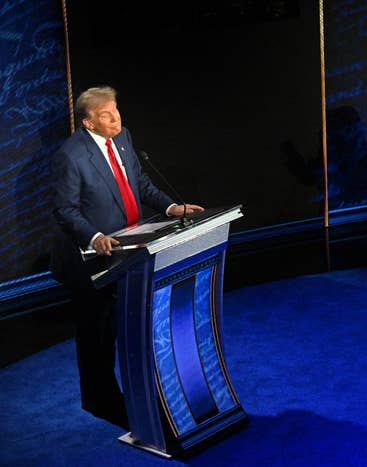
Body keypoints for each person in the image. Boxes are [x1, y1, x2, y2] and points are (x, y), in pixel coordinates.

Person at [50, 86, 204, 429]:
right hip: (89, 259)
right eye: (106, 114)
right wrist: (94, 236)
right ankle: (99, 400)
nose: (116, 118)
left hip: (129, 252)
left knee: (122, 325)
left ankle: (133, 392)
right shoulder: (71, 156)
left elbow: (140, 182)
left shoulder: (123, 138)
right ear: (89, 122)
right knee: (98, 332)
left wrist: (170, 206)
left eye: (116, 110)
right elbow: (65, 209)